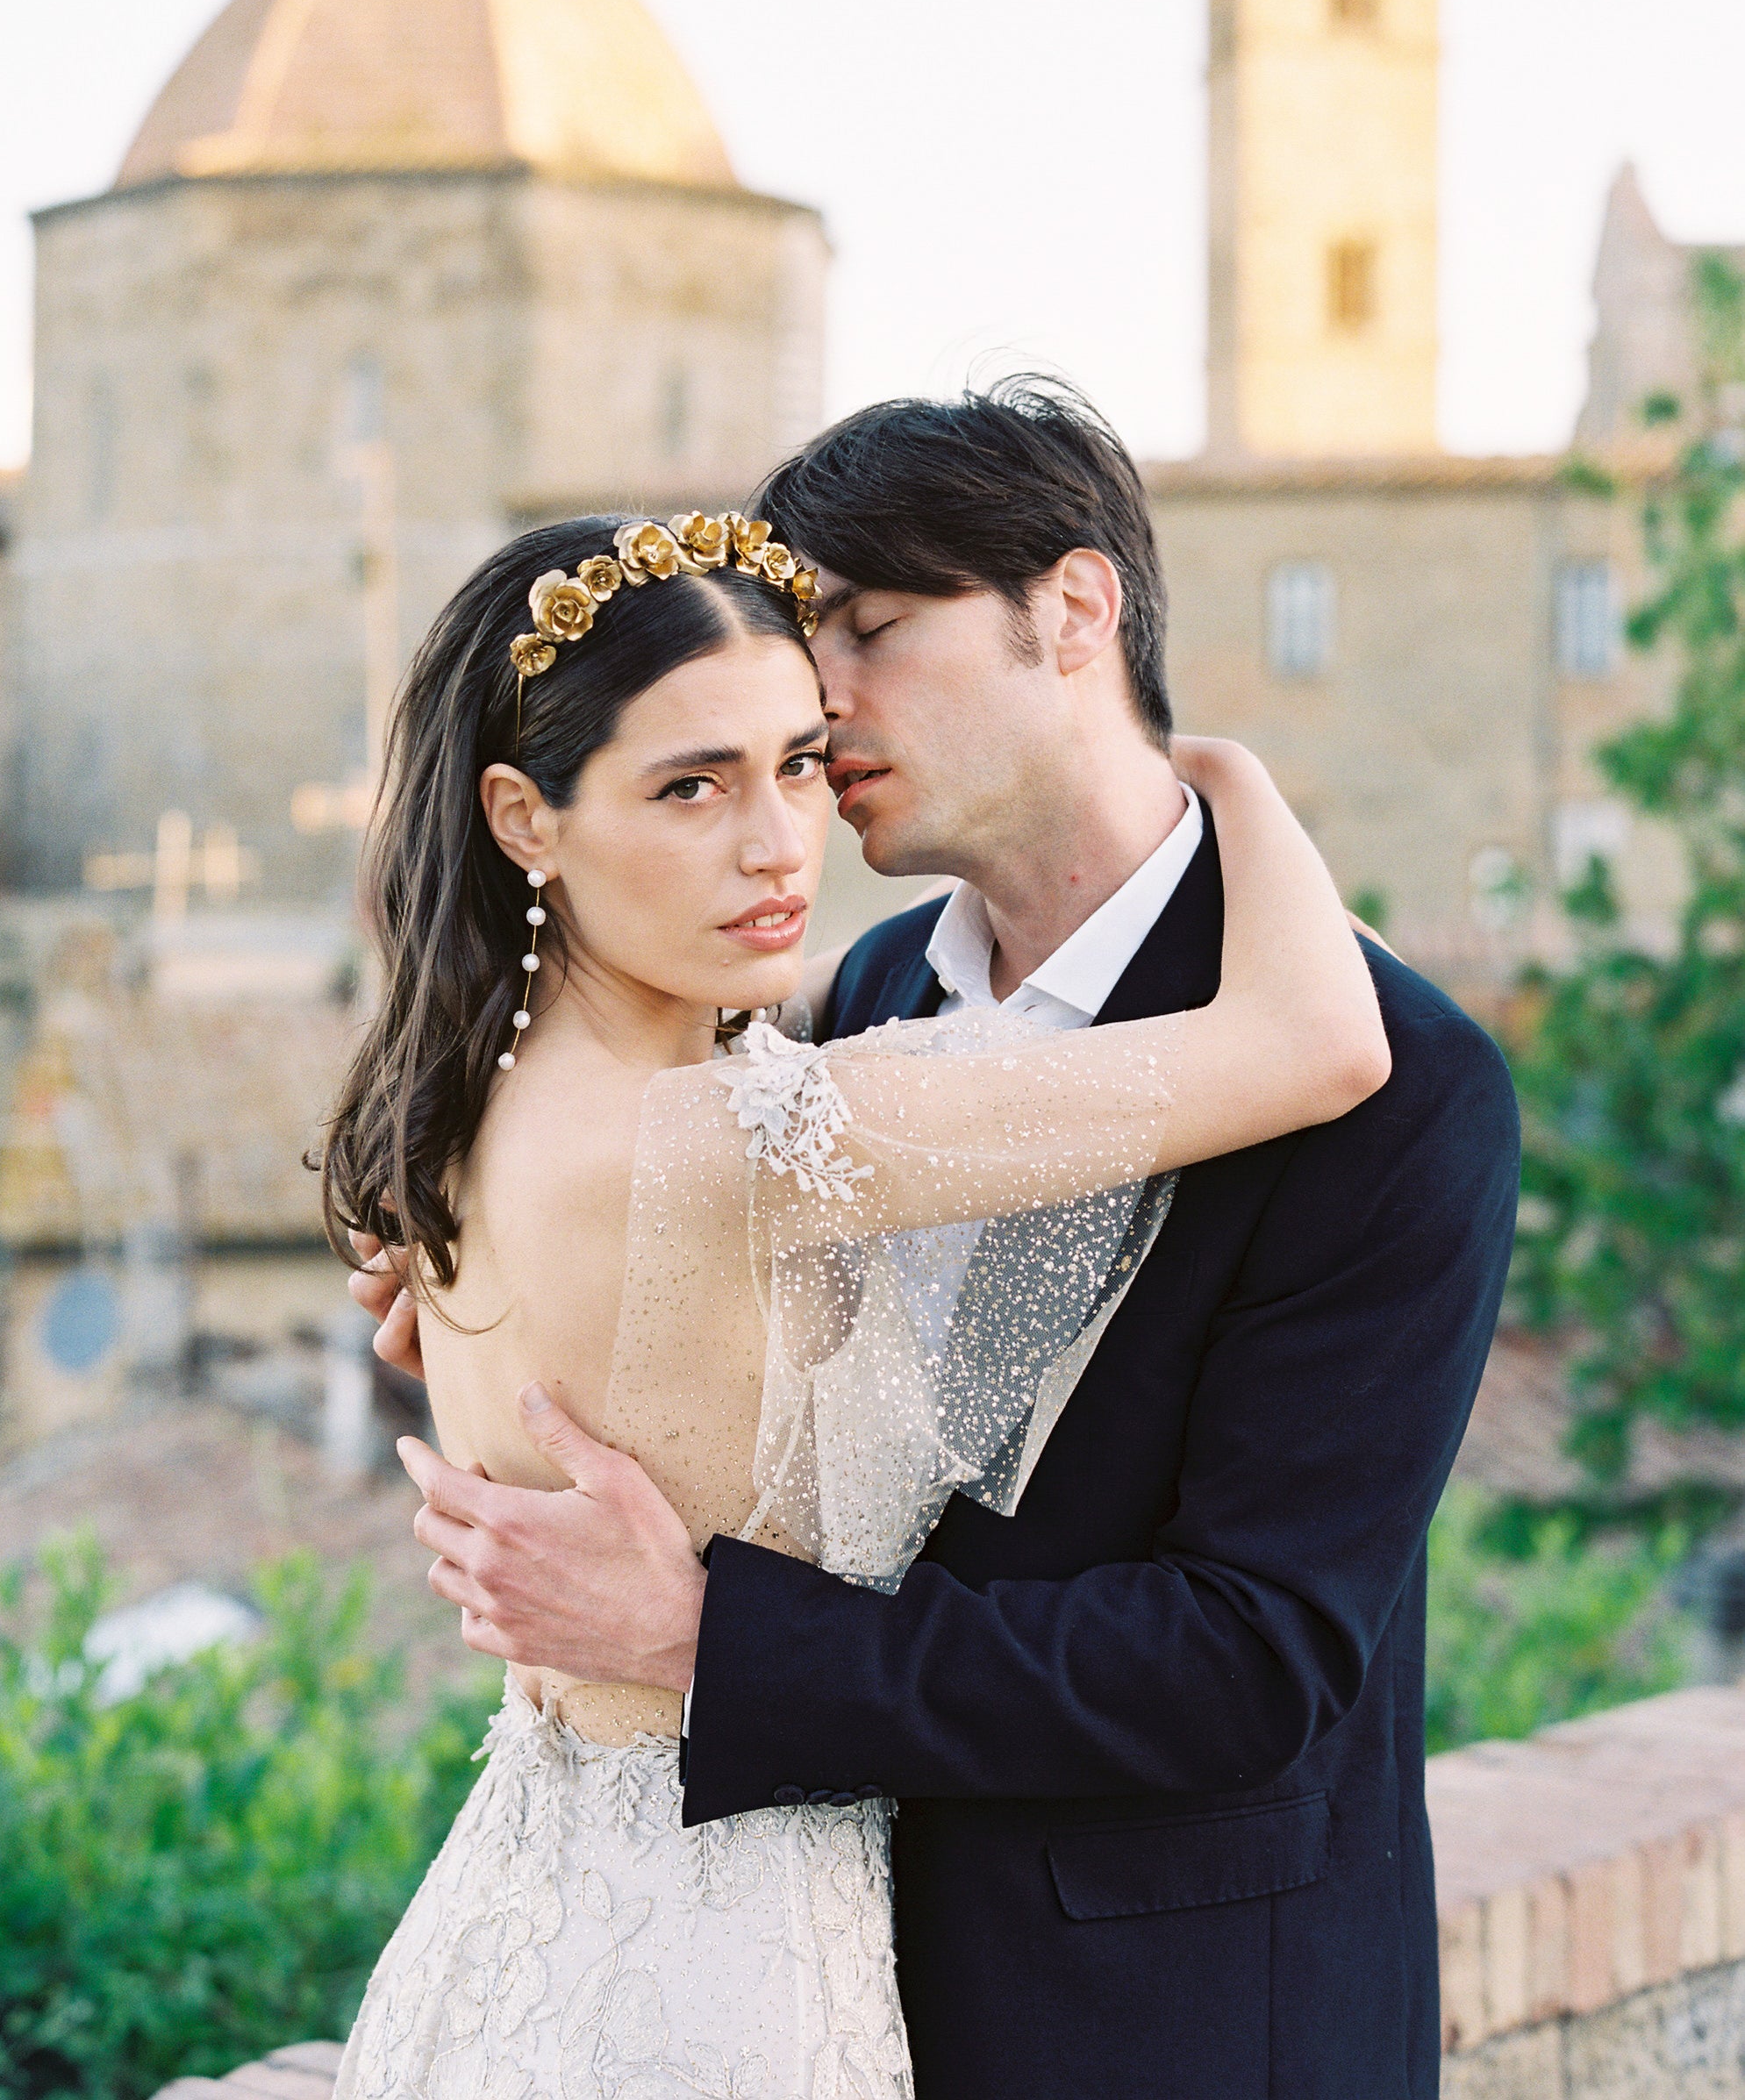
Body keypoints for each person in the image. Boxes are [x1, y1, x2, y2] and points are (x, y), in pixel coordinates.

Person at [358, 380, 1522, 2100]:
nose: (821, 702)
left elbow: (1250, 1658)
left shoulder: (1404, 1084)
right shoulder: (831, 1014)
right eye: (797, 640)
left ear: (1073, 613)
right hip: (768, 1977)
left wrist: (704, 1641)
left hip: (1168, 2030)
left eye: (872, 630)